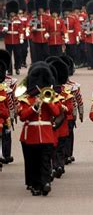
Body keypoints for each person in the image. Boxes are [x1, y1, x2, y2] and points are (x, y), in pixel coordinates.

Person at [17, 63, 60, 196]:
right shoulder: (26, 100)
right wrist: (34, 107)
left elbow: (57, 112)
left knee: (45, 160)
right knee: (34, 161)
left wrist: (48, 102)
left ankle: (46, 182)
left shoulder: (50, 97)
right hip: (32, 136)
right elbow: (23, 116)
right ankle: (36, 185)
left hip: (46, 134)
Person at [2, 0, 24, 75]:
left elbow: (21, 30)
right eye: (11, 12)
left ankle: (17, 68)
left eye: (13, 12)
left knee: (17, 55)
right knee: (8, 56)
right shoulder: (5, 20)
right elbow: (1, 29)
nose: (12, 13)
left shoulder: (19, 20)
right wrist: (3, 30)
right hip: (8, 40)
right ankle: (9, 70)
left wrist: (21, 37)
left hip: (17, 40)